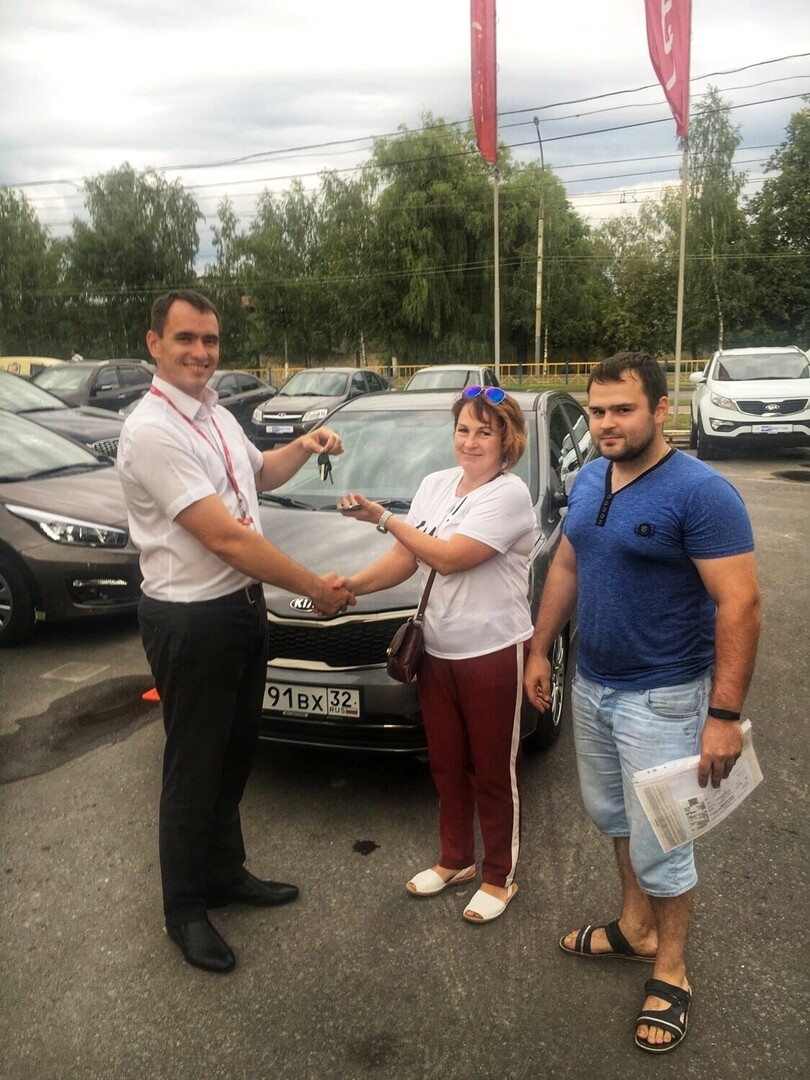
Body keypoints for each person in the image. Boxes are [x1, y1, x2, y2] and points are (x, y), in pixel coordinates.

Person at [524, 352, 761, 1053]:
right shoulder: (590, 477)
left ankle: (671, 967)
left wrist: (723, 717)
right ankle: (635, 927)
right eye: (597, 411)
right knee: (615, 818)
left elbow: (740, 605)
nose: (606, 423)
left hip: (665, 698)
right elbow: (569, 564)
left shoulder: (702, 493)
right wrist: (539, 649)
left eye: (622, 410)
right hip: (593, 686)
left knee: (665, 839)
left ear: (661, 409)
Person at [117, 289, 354, 974]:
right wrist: (312, 588)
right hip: (190, 619)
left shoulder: (215, 413)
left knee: (235, 754)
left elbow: (259, 471)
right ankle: (184, 907)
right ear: (154, 343)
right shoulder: (153, 430)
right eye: (186, 338)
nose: (201, 352)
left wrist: (305, 443)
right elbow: (224, 537)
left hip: (241, 607)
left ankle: (225, 872)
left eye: (211, 340)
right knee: (194, 767)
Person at [336, 387, 538, 923]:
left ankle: (499, 875)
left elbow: (448, 558)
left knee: (494, 770)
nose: (469, 442)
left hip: (492, 650)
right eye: (462, 430)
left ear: (507, 441)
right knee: (447, 764)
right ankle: (456, 859)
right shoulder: (435, 485)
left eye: (484, 432)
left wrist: (383, 516)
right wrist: (351, 588)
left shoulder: (509, 494)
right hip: (437, 650)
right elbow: (407, 558)